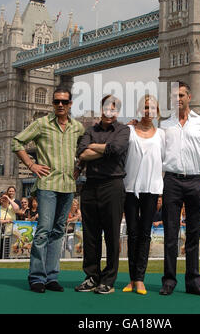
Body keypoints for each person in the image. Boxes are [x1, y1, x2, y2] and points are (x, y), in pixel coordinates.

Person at [12, 86, 85, 293]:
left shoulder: (78, 127)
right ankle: (36, 277)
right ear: (52, 104)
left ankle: (52, 277)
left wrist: (80, 166)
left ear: (70, 104)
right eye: (56, 102)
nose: (60, 105)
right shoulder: (41, 124)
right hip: (47, 185)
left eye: (64, 102)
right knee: (44, 230)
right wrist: (31, 165)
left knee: (58, 231)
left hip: (68, 185)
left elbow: (86, 148)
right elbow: (17, 142)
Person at [159, 81, 200, 297]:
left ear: (190, 97)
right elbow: (158, 158)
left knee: (194, 234)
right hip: (172, 182)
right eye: (174, 96)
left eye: (182, 95)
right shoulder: (165, 125)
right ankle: (169, 281)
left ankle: (193, 283)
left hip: (196, 182)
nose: (178, 99)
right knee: (170, 233)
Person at [75, 95, 130, 295]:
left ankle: (108, 280)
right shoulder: (90, 130)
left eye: (113, 109)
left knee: (112, 235)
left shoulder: (124, 130)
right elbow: (81, 153)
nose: (109, 112)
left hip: (112, 185)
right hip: (90, 186)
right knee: (90, 234)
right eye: (106, 108)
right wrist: (106, 150)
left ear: (117, 112)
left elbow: (116, 149)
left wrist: (95, 148)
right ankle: (91, 277)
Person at [122, 95, 165, 295]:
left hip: (152, 189)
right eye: (145, 107)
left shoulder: (162, 135)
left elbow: (165, 163)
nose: (148, 111)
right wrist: (125, 124)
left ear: (157, 111)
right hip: (130, 189)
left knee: (145, 234)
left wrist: (161, 193)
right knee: (132, 233)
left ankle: (140, 279)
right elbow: (115, 143)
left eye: (152, 108)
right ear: (140, 110)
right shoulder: (128, 131)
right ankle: (131, 278)